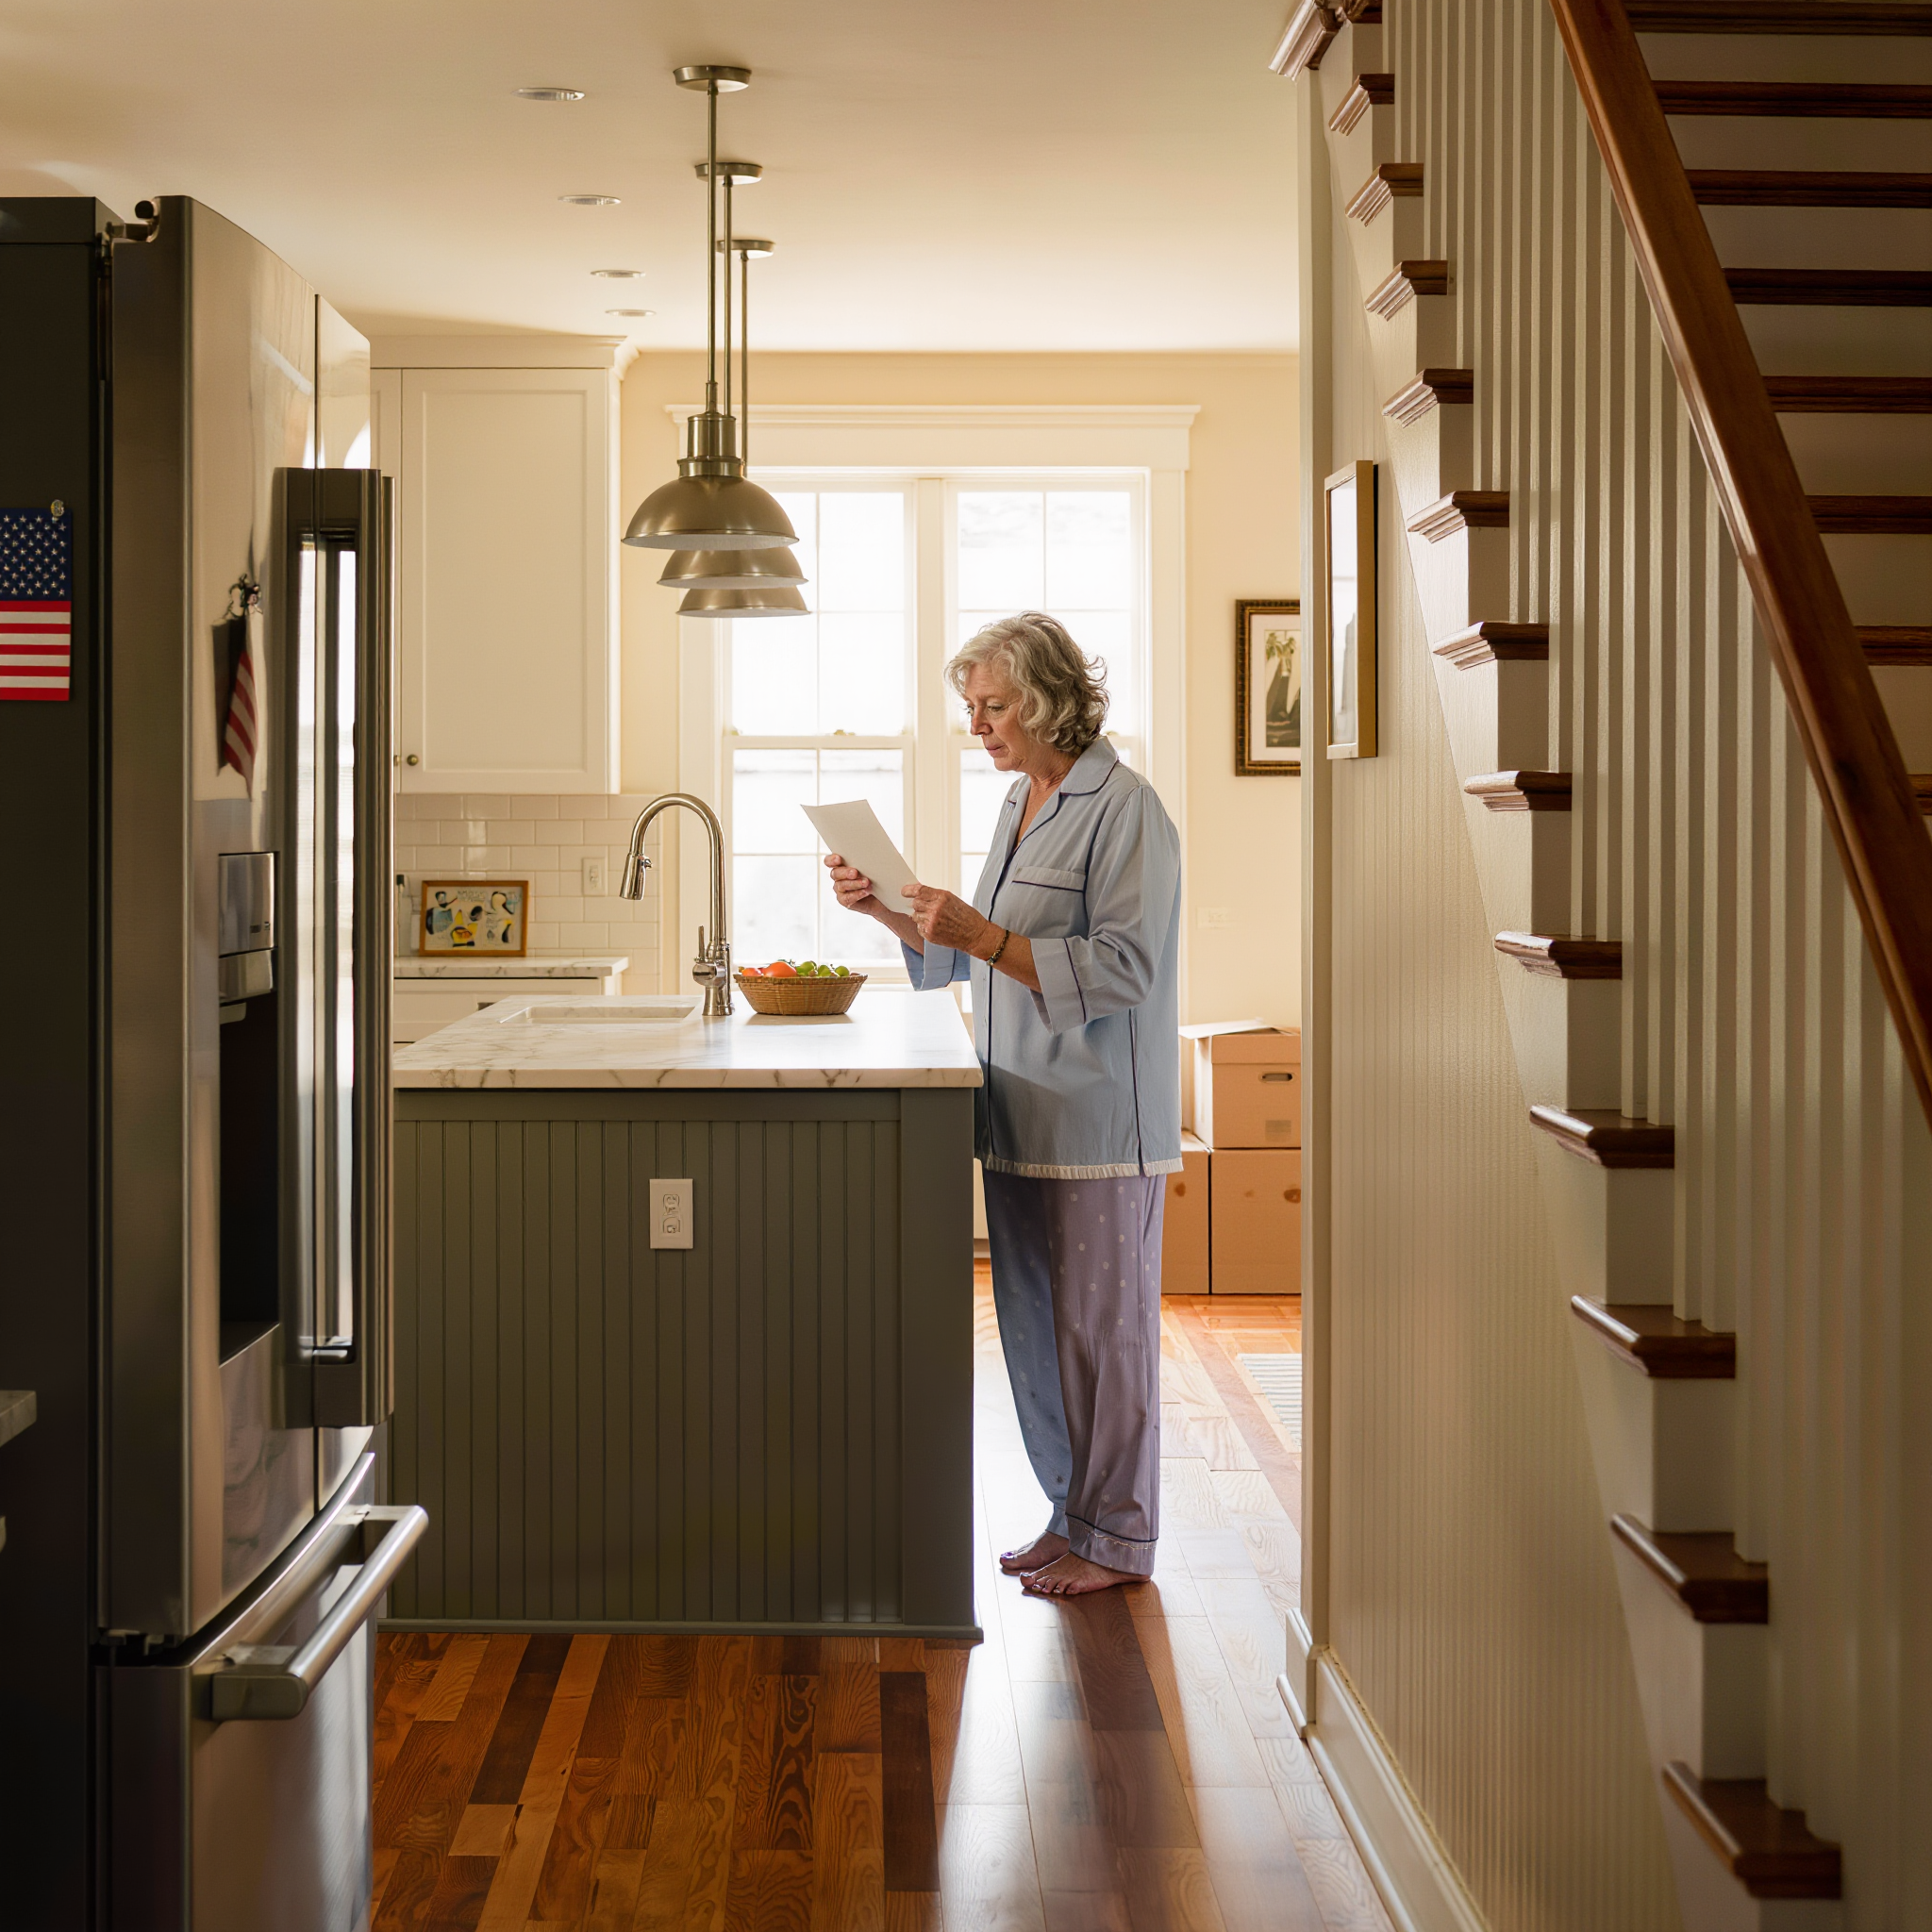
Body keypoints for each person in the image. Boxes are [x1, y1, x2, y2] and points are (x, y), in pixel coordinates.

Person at [825, 611, 1181, 1596]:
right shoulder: (1022, 803)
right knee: (1035, 1331)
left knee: (1104, 1339)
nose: (977, 725)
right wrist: (884, 910)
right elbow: (966, 951)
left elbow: (1124, 967)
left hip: (1100, 1121)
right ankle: (1071, 1517)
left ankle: (1119, 1538)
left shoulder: (1126, 808)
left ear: (1048, 699)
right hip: (1018, 1110)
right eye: (969, 708)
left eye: (992, 706)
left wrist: (980, 936)